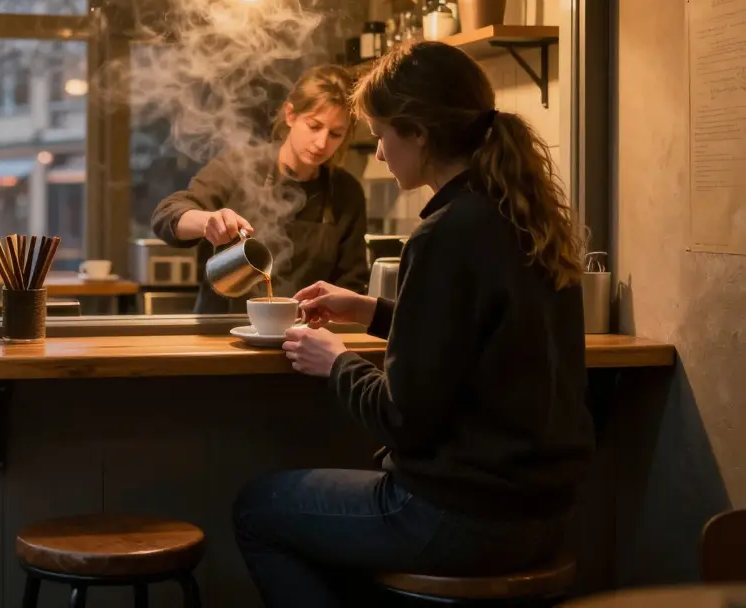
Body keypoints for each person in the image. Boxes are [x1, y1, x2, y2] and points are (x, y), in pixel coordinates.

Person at [233, 42, 594, 607]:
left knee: (257, 509)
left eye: (379, 133)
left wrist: (337, 362)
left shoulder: (444, 233)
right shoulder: (519, 214)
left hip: (459, 517)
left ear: (419, 134)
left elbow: (403, 420)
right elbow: (474, 338)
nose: (376, 152)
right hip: (545, 512)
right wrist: (370, 310)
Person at [151, 66, 369, 314]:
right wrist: (207, 221)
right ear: (291, 115)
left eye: (335, 134)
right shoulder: (238, 168)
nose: (321, 143)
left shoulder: (345, 192)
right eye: (314, 126)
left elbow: (351, 282)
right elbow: (166, 215)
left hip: (304, 339)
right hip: (222, 331)